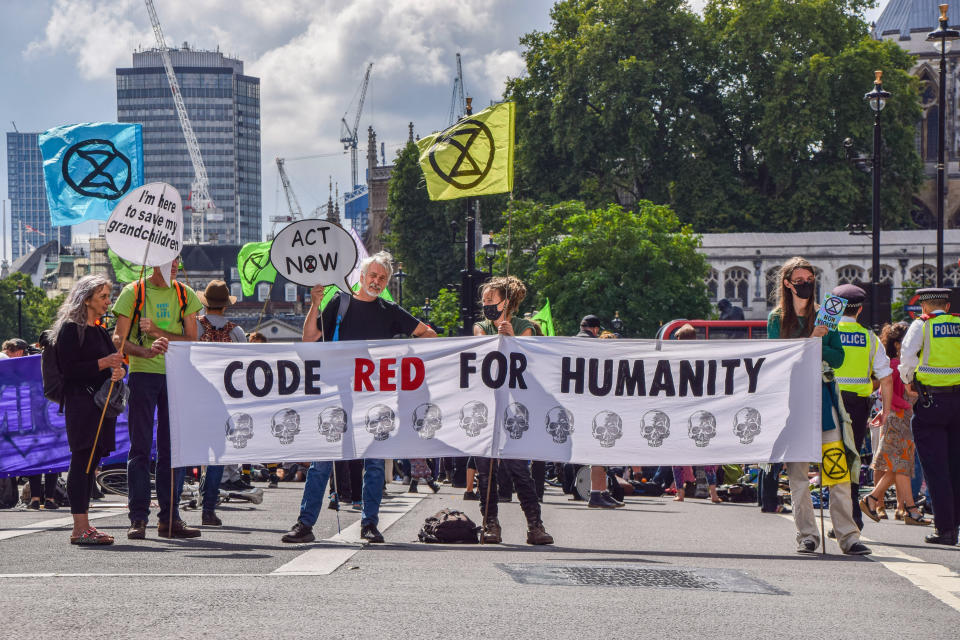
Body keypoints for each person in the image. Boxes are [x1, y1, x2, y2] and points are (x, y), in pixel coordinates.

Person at [282, 251, 436, 544]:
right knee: (322, 460)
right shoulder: (339, 303)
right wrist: (315, 305)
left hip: (373, 396)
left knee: (374, 462)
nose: (376, 281)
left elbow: (428, 334)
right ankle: (304, 524)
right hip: (336, 392)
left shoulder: (389, 310)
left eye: (382, 278)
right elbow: (309, 338)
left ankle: (369, 523)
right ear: (361, 278)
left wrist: (403, 357)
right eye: (372, 276)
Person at [767, 257, 870, 555]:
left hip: (824, 400)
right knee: (798, 474)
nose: (806, 285)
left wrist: (821, 343)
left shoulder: (825, 316)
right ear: (787, 284)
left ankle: (848, 535)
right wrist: (811, 340)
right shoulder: (777, 319)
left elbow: (838, 358)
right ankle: (807, 535)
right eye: (799, 281)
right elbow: (778, 357)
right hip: (793, 402)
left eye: (809, 280)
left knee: (837, 470)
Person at [113, 260, 203, 540]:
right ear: (154, 263)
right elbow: (118, 338)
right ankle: (138, 518)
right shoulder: (134, 292)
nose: (175, 265)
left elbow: (191, 339)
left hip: (176, 377)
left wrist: (156, 333)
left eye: (177, 260)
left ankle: (170, 518)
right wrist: (144, 352)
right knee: (139, 449)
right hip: (143, 376)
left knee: (172, 450)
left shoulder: (184, 293)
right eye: (169, 261)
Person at [472, 276, 554, 544]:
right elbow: (482, 350)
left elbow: (528, 359)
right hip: (487, 405)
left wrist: (512, 338)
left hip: (516, 409)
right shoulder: (481, 326)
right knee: (486, 470)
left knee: (519, 467)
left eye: (490, 300)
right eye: (483, 300)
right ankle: (490, 524)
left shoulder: (524, 327)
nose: (485, 305)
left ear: (505, 302)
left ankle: (535, 525)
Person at [48, 275, 126, 544]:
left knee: (91, 464)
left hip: (100, 405)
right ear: (87, 298)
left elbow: (108, 365)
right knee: (81, 462)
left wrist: (118, 369)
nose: (108, 301)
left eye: (108, 296)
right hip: (82, 404)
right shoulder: (71, 329)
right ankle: (79, 527)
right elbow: (70, 371)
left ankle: (85, 526)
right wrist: (106, 362)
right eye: (103, 296)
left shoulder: (98, 329)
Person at [898, 287, 960, 546]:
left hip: (931, 402)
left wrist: (909, 382)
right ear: (946, 306)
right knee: (957, 467)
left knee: (936, 469)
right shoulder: (958, 323)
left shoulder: (922, 325)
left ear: (924, 307)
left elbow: (907, 358)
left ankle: (945, 530)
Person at [831, 284, 893, 531]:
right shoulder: (869, 337)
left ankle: (842, 518)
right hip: (858, 406)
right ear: (859, 311)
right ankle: (853, 516)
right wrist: (885, 411)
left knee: (831, 457)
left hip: (830, 402)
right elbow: (886, 378)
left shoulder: (828, 332)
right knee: (852, 457)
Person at [859, 322, 930, 527]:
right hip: (898, 418)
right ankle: (897, 506)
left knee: (901, 465)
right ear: (898, 344)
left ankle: (903, 507)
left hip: (901, 417)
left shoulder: (904, 363)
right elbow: (884, 392)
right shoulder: (892, 365)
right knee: (897, 465)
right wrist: (908, 405)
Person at [194, 280, 247, 527]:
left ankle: (174, 509)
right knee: (217, 456)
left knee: (186, 452)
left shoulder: (193, 327)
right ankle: (208, 508)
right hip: (224, 400)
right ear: (225, 307)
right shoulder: (236, 333)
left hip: (193, 397)